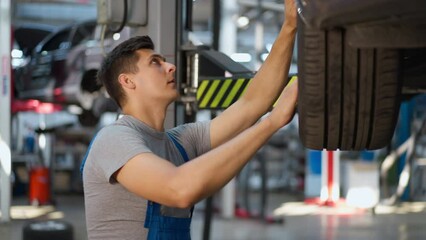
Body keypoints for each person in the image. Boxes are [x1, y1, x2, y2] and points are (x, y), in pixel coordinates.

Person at [82, 0, 298, 239]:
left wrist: (289, 26)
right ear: (128, 81)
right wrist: (272, 122)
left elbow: (253, 103)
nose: (171, 66)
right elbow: (178, 189)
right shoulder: (114, 139)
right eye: (155, 62)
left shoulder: (181, 142)